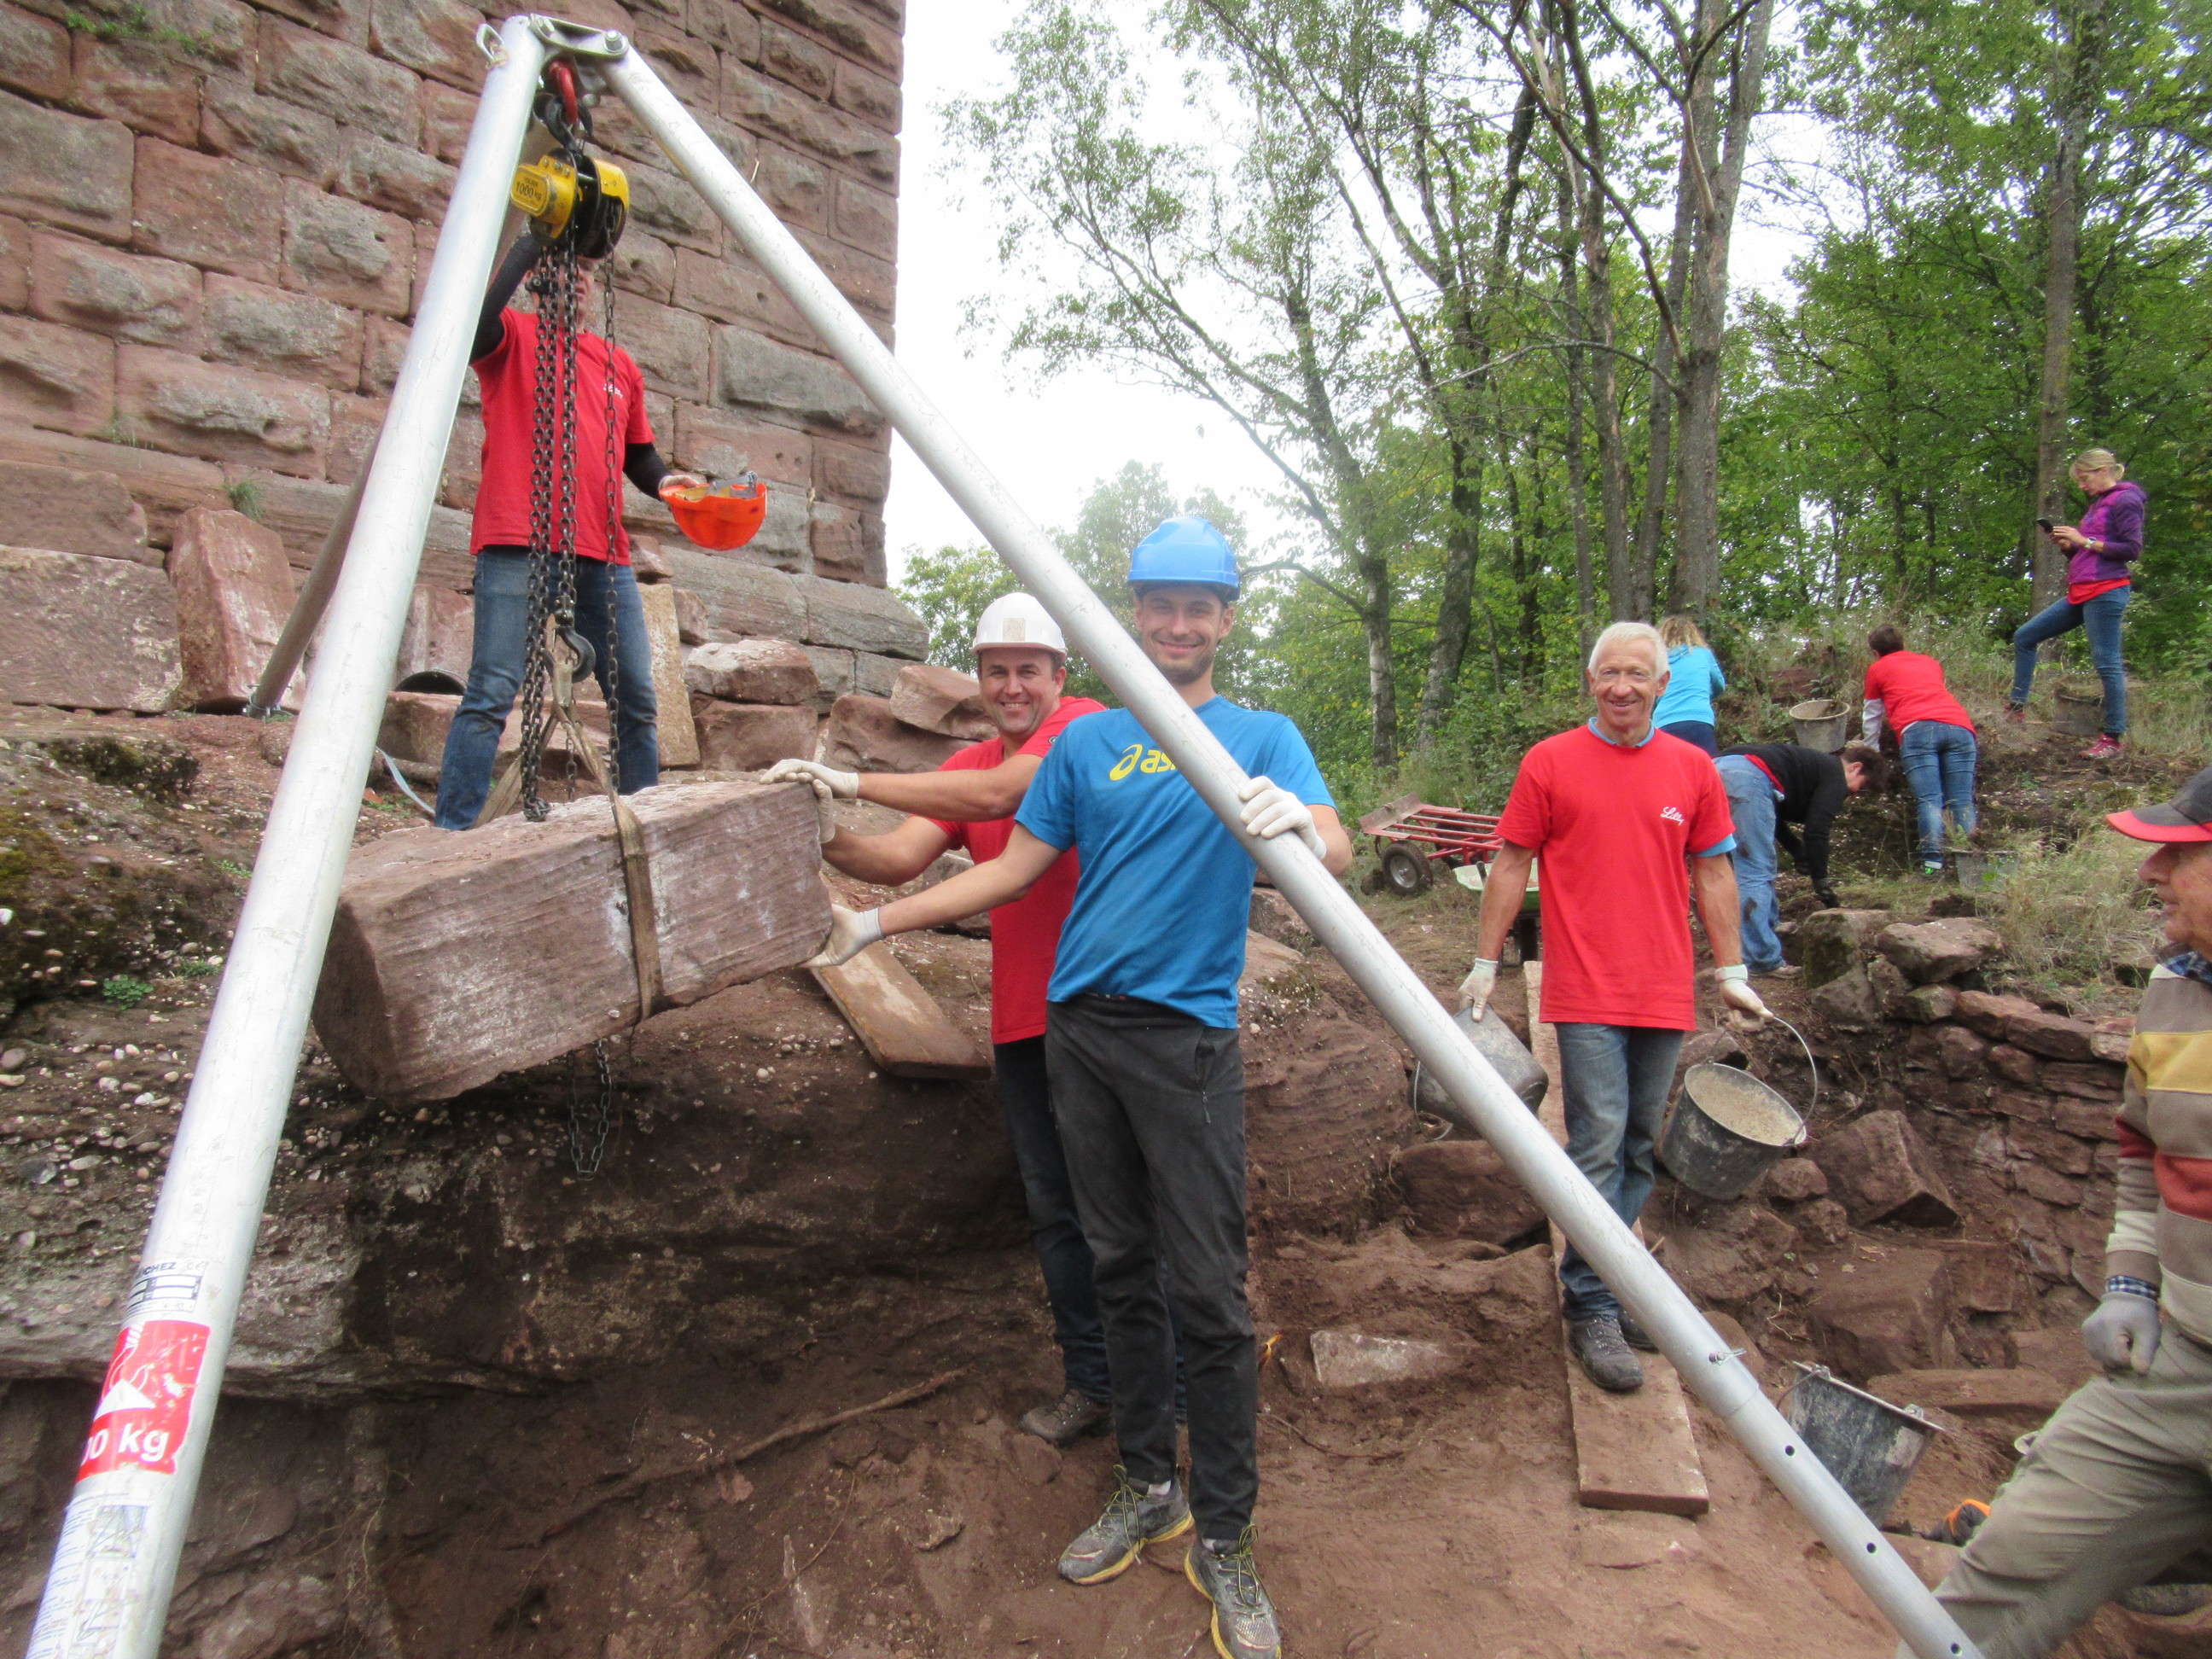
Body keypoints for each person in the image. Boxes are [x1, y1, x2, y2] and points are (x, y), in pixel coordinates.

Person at [808, 517, 1351, 1659]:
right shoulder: (1088, 746)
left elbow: (1335, 848)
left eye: (1199, 605)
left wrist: (1299, 823)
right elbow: (1011, 869)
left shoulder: (1260, 736)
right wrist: (876, 922)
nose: (1178, 623)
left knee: (1210, 1290)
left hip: (1185, 1041)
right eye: (1160, 603)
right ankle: (1150, 1484)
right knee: (1119, 1269)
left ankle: (1228, 1534)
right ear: (1134, 614)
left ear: (1227, 618)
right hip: (1077, 1033)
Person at [762, 593, 1121, 1449]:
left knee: (1126, 1207)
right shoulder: (964, 764)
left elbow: (1001, 794)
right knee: (1056, 1211)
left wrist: (851, 777)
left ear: (1059, 675)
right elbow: (894, 858)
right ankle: (1093, 1382)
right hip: (1024, 1020)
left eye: (1028, 670)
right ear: (980, 680)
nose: (1012, 686)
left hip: (1110, 1011)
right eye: (996, 671)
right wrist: (821, 824)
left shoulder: (1088, 728)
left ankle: (1168, 1384)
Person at [1893, 764, 2212, 1659]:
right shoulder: (2176, 991)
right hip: (2180, 1371)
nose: (2151, 871)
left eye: (2180, 854)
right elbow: (2143, 1153)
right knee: (2009, 1566)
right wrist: (2131, 1282)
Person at [1458, 621, 1767, 1394]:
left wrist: (1732, 970)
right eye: (1609, 673)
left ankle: (1616, 1279)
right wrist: (1485, 963)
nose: (1622, 687)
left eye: (1637, 674)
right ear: (1591, 681)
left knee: (1635, 1145)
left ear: (1663, 685)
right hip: (1585, 983)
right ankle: (1591, 1302)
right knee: (1597, 1141)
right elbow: (1512, 861)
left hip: (1664, 984)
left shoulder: (1692, 769)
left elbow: (1716, 872)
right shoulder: (1551, 761)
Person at [433, 235, 701, 830]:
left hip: (604, 554)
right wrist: (532, 242)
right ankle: (452, 833)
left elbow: (640, 456)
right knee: (491, 693)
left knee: (637, 701)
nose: (576, 277)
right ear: (535, 277)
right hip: (517, 542)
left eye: (585, 270)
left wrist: (671, 485)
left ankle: (641, 829)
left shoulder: (619, 365)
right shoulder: (510, 336)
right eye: (563, 265)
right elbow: (472, 326)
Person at [2008, 447, 2145, 761]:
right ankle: (2015, 709)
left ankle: (2113, 738)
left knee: (2107, 662)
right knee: (2025, 636)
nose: (2082, 486)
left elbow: (2132, 549)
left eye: (2085, 479)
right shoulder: (2098, 505)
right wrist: (2069, 546)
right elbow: (2089, 553)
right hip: (2081, 590)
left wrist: (2084, 540)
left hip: (2107, 591)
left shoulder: (2127, 500)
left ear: (2103, 471)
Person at [1714, 741, 1889, 973]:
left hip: (1717, 768)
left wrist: (1796, 849)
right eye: (1862, 786)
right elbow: (1817, 831)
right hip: (1746, 775)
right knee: (1756, 870)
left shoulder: (1811, 768)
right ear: (1855, 768)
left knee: (1745, 864)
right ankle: (1761, 960)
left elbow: (1772, 814)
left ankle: (1767, 929)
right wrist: (1821, 882)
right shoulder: (1836, 775)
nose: (1855, 794)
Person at [1863, 624, 1978, 876]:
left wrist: (1872, 750)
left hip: (1917, 731)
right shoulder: (1929, 662)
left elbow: (1872, 714)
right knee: (1962, 800)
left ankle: (1932, 867)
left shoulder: (1876, 669)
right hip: (1959, 727)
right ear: (1903, 644)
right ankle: (1971, 867)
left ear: (1875, 652)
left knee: (1930, 800)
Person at [1653, 614, 1727, 755]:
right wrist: (1702, 693)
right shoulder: (1703, 654)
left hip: (1664, 721)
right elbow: (1720, 685)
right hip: (1698, 719)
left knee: (1669, 767)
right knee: (1704, 765)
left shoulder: (1658, 659)